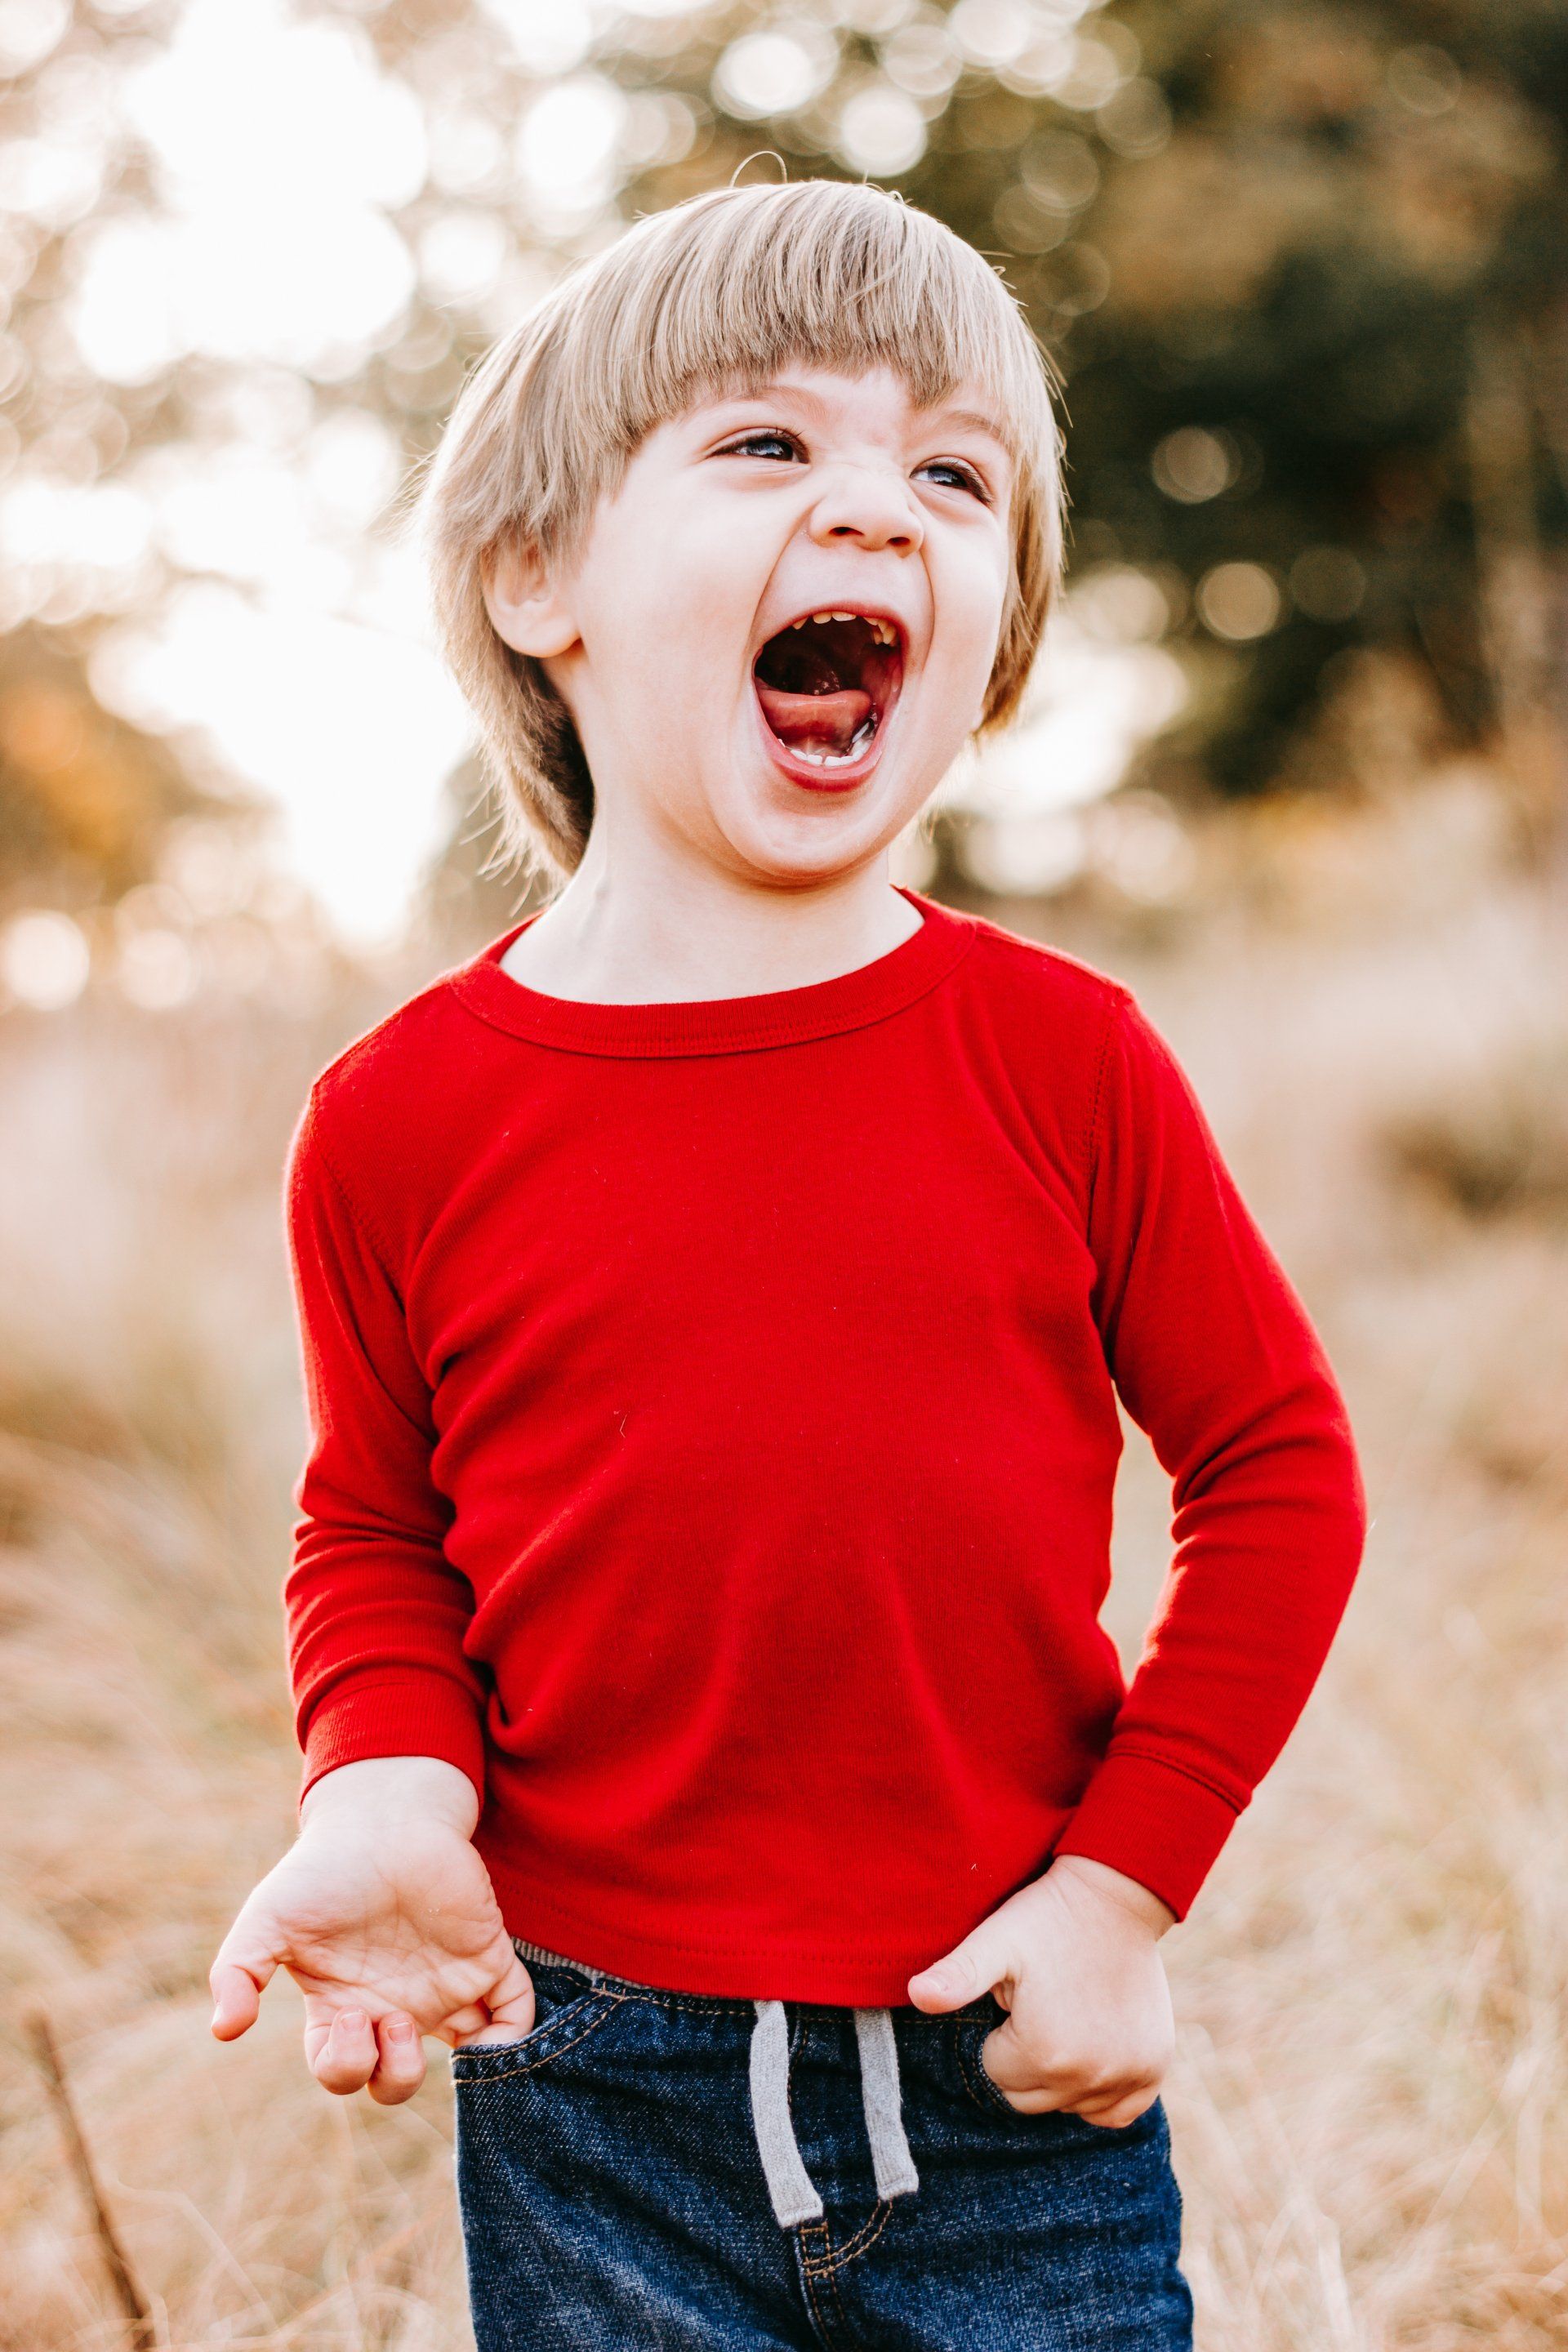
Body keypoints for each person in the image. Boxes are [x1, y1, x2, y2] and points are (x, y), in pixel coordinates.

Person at [209, 180, 1367, 2350]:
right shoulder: (401, 1115)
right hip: (587, 2074)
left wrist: (1123, 1889)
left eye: (953, 472)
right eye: (767, 445)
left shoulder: (1062, 1062)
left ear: (995, 633)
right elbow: (373, 1525)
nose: (877, 505)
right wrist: (381, 1790)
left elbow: (1281, 1468)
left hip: (1002, 2047)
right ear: (534, 573)